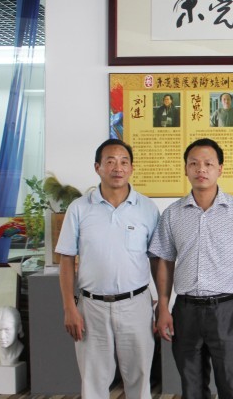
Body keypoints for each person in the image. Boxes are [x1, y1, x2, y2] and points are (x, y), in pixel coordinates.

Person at [150, 138, 233, 399]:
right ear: (185, 169)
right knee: (191, 386)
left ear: (220, 168)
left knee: (231, 384)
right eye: (194, 164)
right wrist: (163, 307)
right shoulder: (172, 214)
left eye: (208, 164)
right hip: (186, 310)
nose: (201, 169)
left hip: (227, 310)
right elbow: (165, 261)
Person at [56, 138, 160, 399]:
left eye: (124, 162)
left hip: (136, 304)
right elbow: (66, 260)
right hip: (91, 307)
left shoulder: (147, 208)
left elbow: (157, 260)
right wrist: (69, 307)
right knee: (93, 382)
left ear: (132, 168)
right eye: (110, 161)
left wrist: (163, 303)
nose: (118, 168)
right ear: (97, 167)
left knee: (139, 379)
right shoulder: (79, 209)